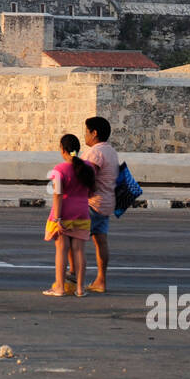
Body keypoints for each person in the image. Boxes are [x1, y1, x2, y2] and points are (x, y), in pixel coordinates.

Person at [44, 133, 95, 298]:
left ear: (62, 149)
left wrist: (57, 218)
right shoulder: (89, 168)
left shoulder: (59, 170)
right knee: (79, 250)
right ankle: (80, 289)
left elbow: (57, 195)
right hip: (82, 212)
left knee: (61, 250)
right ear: (77, 150)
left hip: (64, 213)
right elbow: (92, 191)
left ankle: (60, 287)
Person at [80, 116, 120, 293]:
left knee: (75, 241)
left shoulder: (95, 153)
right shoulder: (111, 151)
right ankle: (100, 281)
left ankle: (74, 279)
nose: (85, 135)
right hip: (107, 204)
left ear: (94, 133)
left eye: (87, 132)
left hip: (92, 204)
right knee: (101, 241)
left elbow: (88, 177)